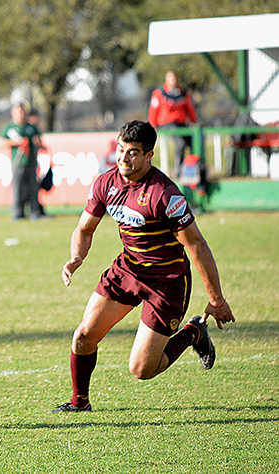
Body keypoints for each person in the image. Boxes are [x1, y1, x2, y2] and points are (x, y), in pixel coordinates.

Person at [53, 120, 235, 413]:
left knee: (142, 369)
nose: (124, 159)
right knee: (84, 337)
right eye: (121, 150)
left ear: (149, 155)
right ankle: (80, 402)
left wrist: (216, 299)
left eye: (133, 153)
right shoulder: (106, 183)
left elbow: (197, 246)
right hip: (128, 269)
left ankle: (192, 333)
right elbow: (85, 229)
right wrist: (77, 257)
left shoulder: (165, 194)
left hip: (167, 281)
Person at [148, 71, 198, 178]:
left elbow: (190, 109)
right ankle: (178, 170)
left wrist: (194, 122)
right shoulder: (160, 93)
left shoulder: (183, 94)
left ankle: (193, 168)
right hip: (167, 124)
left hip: (181, 123)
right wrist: (152, 125)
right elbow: (153, 110)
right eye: (171, 79)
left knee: (194, 141)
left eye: (175, 79)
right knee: (180, 143)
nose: (173, 81)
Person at [1, 104, 45, 220]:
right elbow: (3, 142)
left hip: (31, 161)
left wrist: (37, 143)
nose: (21, 115)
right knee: (17, 188)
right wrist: (16, 143)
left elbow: (38, 141)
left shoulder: (31, 127)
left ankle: (35, 212)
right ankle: (17, 213)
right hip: (18, 162)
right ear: (13, 113)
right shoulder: (10, 128)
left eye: (23, 112)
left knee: (33, 188)